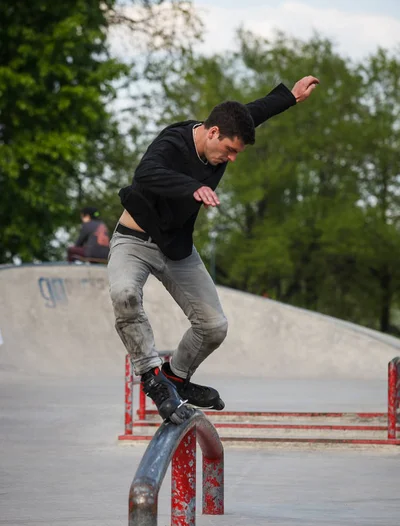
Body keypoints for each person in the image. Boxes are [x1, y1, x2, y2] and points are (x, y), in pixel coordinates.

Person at [108, 75, 319, 425]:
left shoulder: (227, 129)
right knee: (124, 293)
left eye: (237, 152)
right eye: (229, 150)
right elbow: (146, 173)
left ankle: (176, 377)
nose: (231, 159)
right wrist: (192, 187)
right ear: (212, 132)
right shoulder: (172, 141)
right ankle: (152, 378)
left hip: (176, 248)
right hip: (133, 241)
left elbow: (254, 111)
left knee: (214, 326)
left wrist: (291, 98)